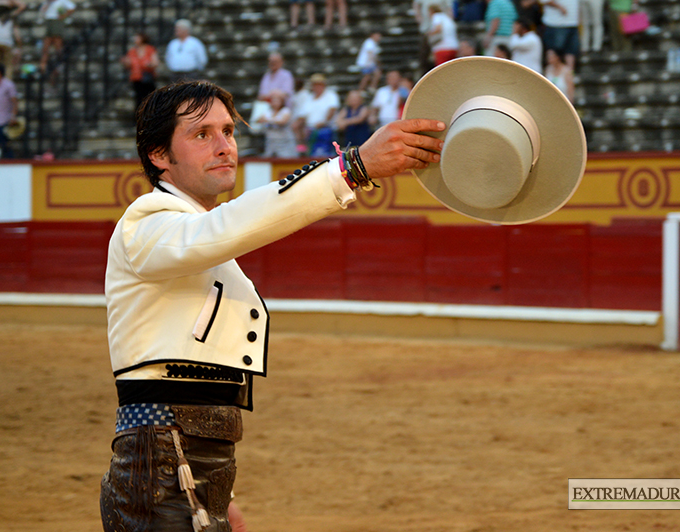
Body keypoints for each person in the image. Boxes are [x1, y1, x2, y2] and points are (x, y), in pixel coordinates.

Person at [99, 79, 445, 532]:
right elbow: (227, 227)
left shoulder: (195, 231)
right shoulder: (144, 223)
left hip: (189, 465)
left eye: (228, 131)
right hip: (165, 465)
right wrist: (351, 167)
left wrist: (219, 491)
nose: (224, 146)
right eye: (202, 135)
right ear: (159, 155)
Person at [292, 73, 339, 157]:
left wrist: (323, 122)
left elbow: (331, 111)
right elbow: (302, 115)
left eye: (319, 85)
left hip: (326, 128)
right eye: (314, 85)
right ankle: (302, 151)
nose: (316, 87)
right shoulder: (309, 98)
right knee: (298, 129)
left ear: (323, 85)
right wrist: (297, 124)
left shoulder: (330, 95)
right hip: (310, 129)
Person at [121, 32, 159, 113]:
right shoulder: (132, 51)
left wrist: (149, 64)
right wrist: (125, 62)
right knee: (139, 98)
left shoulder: (150, 49)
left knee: (149, 97)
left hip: (147, 77)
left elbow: (155, 62)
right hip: (137, 78)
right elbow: (128, 65)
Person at [0, 2, 25, 80]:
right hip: (7, 43)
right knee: (8, 65)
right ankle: (7, 83)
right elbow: (17, 35)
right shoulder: (12, 18)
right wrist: (20, 46)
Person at [539, 0, 580, 69]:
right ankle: (551, 76)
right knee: (554, 52)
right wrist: (560, 7)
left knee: (571, 51)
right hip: (555, 24)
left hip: (572, 23)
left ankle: (569, 75)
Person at [257, 90, 297, 158]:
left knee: (286, 158)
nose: (275, 103)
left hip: (284, 141)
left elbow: (283, 121)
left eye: (277, 100)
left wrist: (269, 120)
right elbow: (258, 120)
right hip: (271, 141)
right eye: (273, 100)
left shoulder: (285, 110)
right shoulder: (268, 111)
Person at [38, 0, 75, 73]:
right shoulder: (47, 2)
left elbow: (72, 8)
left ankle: (60, 63)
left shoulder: (62, 1)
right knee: (46, 45)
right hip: (49, 22)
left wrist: (64, 15)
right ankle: (43, 65)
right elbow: (42, 11)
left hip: (56, 21)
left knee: (57, 43)